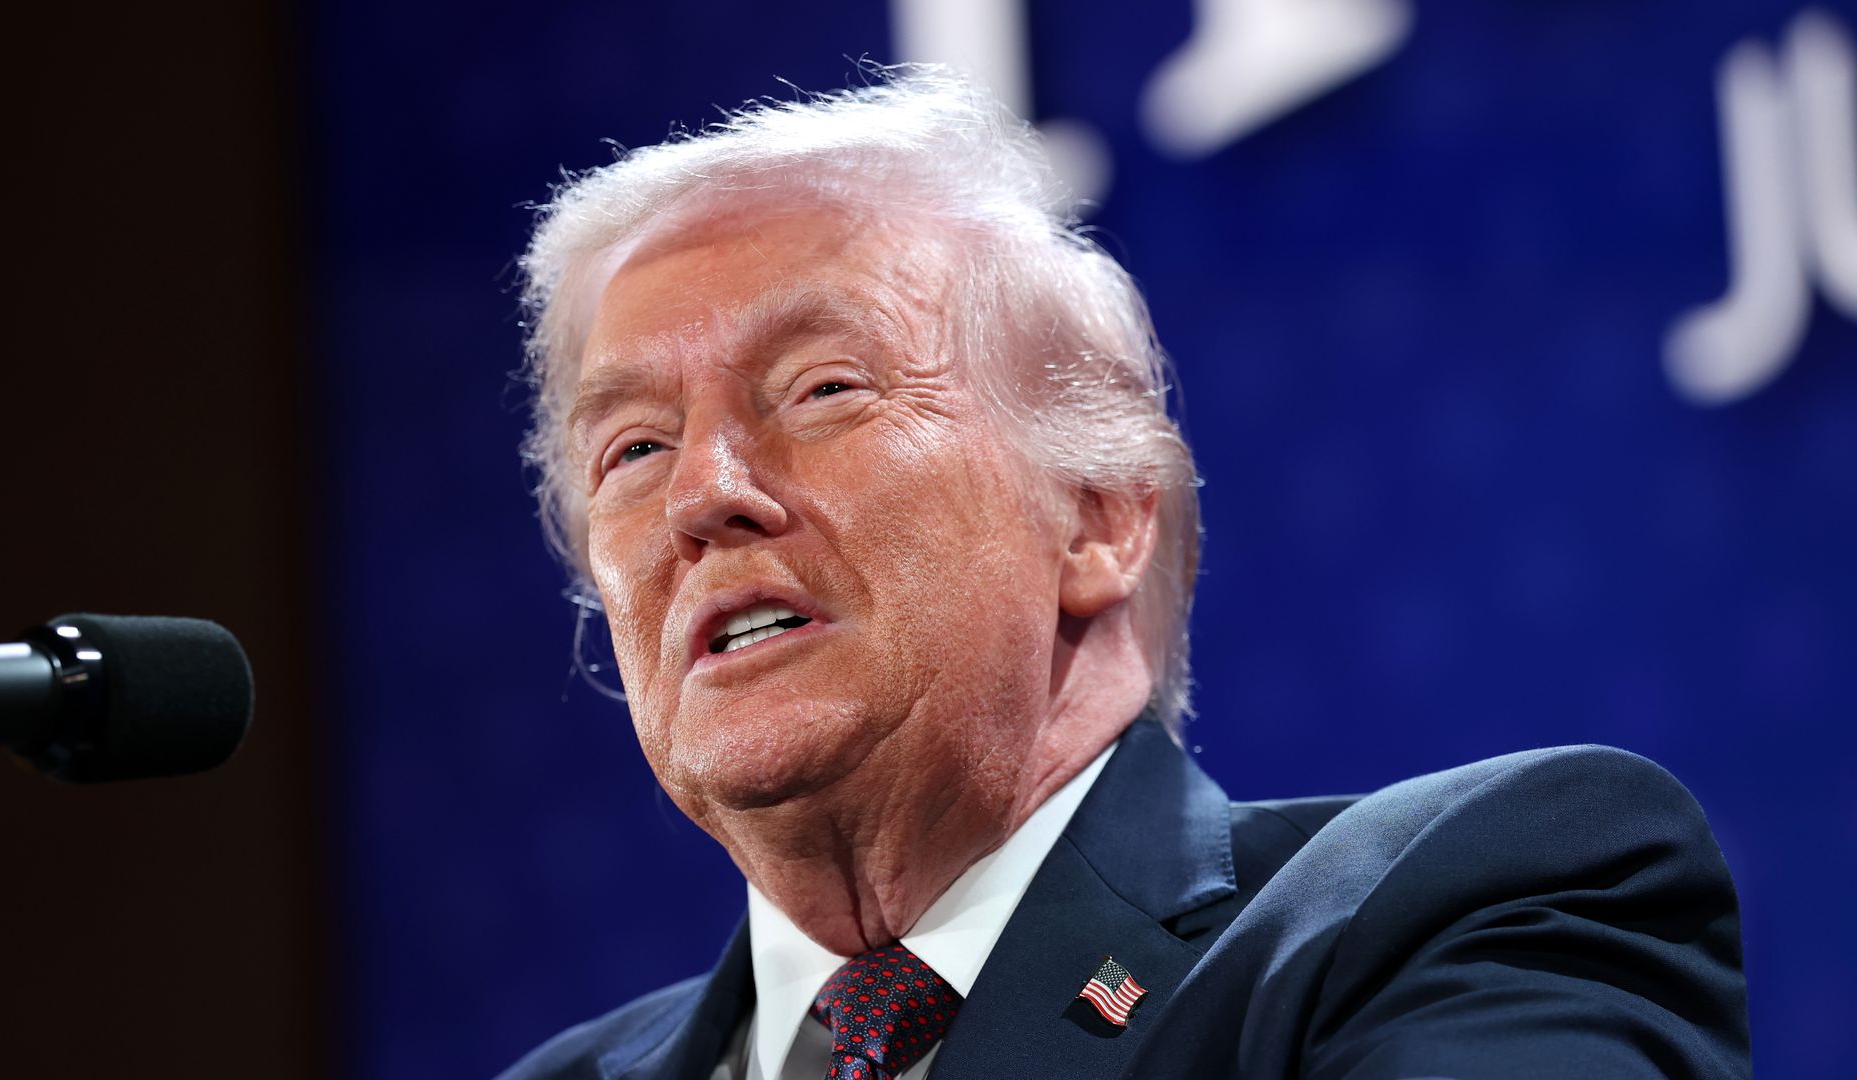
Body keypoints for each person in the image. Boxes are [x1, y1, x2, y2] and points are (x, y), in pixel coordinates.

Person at [500, 67, 1750, 1080]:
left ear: (1095, 519)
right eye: (635, 448)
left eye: (824, 389)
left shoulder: (1459, 915)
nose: (705, 492)